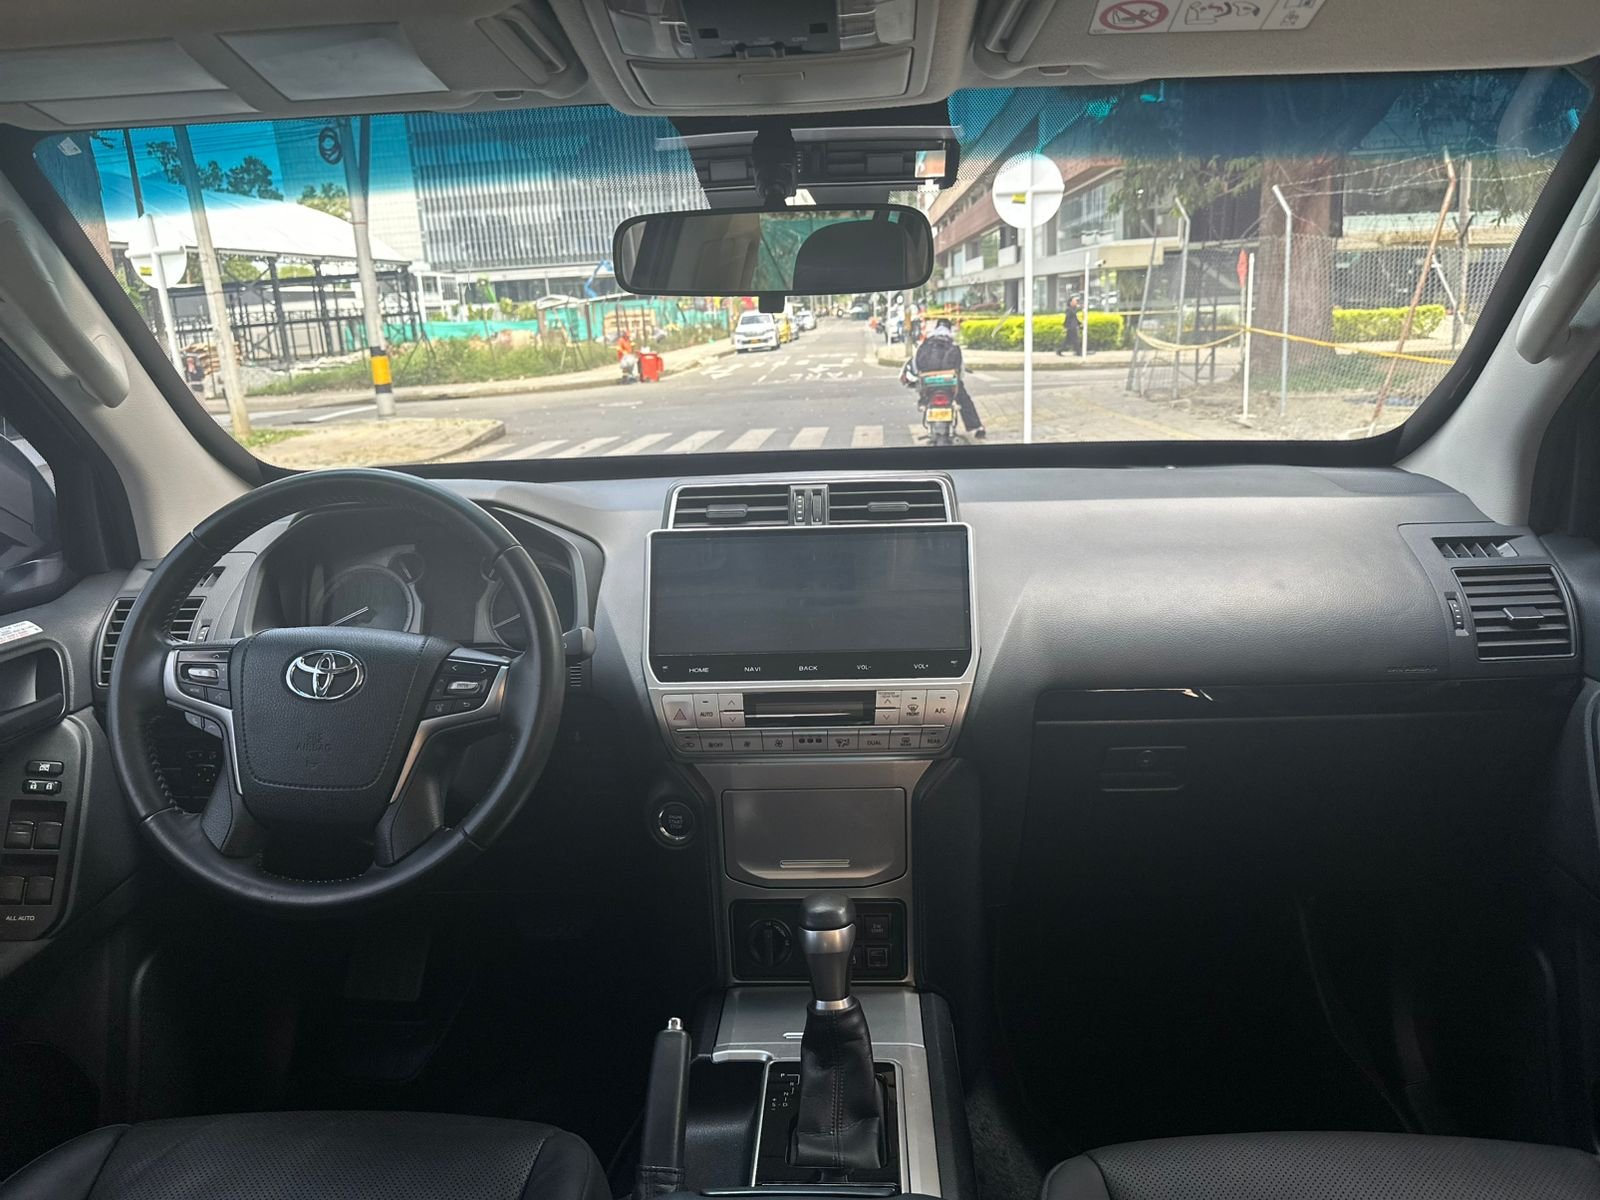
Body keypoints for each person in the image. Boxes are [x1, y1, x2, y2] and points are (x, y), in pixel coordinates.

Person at [913, 319, 985, 438]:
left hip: (928, 382)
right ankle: (976, 427)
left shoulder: (925, 344)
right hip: (949, 381)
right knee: (964, 400)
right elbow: (960, 371)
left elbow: (916, 367)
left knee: (923, 392)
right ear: (949, 329)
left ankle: (923, 404)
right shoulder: (953, 345)